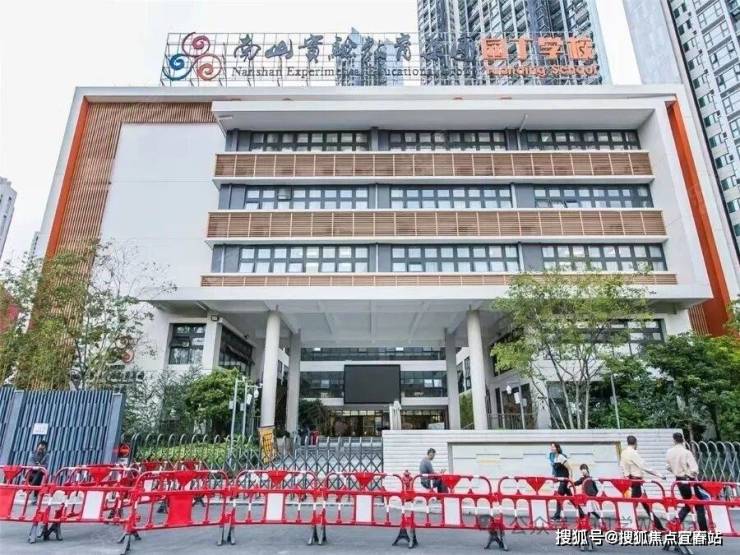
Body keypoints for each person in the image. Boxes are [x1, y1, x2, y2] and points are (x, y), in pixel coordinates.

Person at [620, 435, 666, 530]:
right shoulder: (633, 453)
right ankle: (627, 525)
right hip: (637, 481)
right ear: (635, 443)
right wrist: (659, 475)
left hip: (630, 481)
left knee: (640, 504)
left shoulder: (623, 453)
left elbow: (622, 466)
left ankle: (658, 526)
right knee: (643, 505)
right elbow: (644, 466)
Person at [665, 432, 708, 531]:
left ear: (673, 440)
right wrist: (691, 475)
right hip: (689, 481)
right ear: (683, 440)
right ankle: (703, 530)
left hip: (679, 481)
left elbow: (667, 467)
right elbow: (694, 469)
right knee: (699, 504)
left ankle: (675, 523)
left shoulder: (669, 452)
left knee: (688, 503)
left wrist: (676, 471)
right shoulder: (686, 452)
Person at [550, 443, 574, 520]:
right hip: (561, 480)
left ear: (557, 448)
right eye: (551, 447)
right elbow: (557, 471)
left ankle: (557, 515)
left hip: (565, 480)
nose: (551, 448)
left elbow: (569, 469)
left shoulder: (561, 457)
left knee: (559, 497)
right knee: (571, 498)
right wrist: (554, 479)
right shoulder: (555, 458)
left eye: (553, 447)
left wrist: (570, 480)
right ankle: (582, 514)